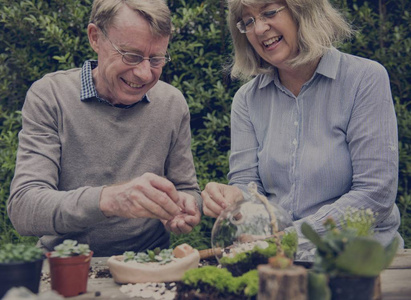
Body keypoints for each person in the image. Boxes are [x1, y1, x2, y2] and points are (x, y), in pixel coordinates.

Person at [202, 0, 403, 258]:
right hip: (280, 259)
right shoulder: (246, 100)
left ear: (303, 10)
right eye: (248, 21)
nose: (259, 29)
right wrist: (234, 196)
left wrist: (290, 238)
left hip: (359, 261)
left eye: (269, 12)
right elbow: (249, 188)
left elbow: (375, 194)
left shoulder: (365, 79)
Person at [7, 0, 202, 257]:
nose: (144, 74)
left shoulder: (172, 103)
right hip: (66, 266)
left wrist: (184, 206)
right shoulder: (50, 95)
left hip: (149, 263)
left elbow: (187, 189)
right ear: (95, 37)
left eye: (155, 59)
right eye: (130, 56)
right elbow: (24, 207)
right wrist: (109, 200)